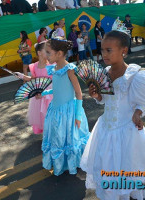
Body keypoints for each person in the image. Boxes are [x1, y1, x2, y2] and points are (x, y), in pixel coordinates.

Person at [80, 30, 145, 200]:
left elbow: (141, 101)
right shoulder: (104, 73)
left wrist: (138, 114)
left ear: (123, 51)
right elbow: (104, 101)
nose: (104, 54)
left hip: (126, 131)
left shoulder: (134, 76)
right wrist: (96, 96)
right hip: (105, 130)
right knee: (107, 168)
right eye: (102, 50)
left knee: (127, 168)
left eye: (109, 50)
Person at [39, 37, 90, 176]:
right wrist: (43, 92)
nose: (46, 56)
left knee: (70, 138)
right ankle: (63, 163)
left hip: (69, 111)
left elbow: (79, 94)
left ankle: (74, 162)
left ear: (59, 53)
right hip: (56, 110)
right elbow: (57, 89)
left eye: (48, 52)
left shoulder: (70, 70)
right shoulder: (54, 69)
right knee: (59, 137)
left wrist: (78, 116)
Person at [15, 42, 53, 134]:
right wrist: (21, 76)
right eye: (47, 51)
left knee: (50, 115)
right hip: (38, 95)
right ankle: (47, 136)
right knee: (41, 115)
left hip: (50, 94)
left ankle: (53, 134)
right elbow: (33, 79)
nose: (50, 53)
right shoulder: (35, 66)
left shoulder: (52, 64)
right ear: (39, 53)